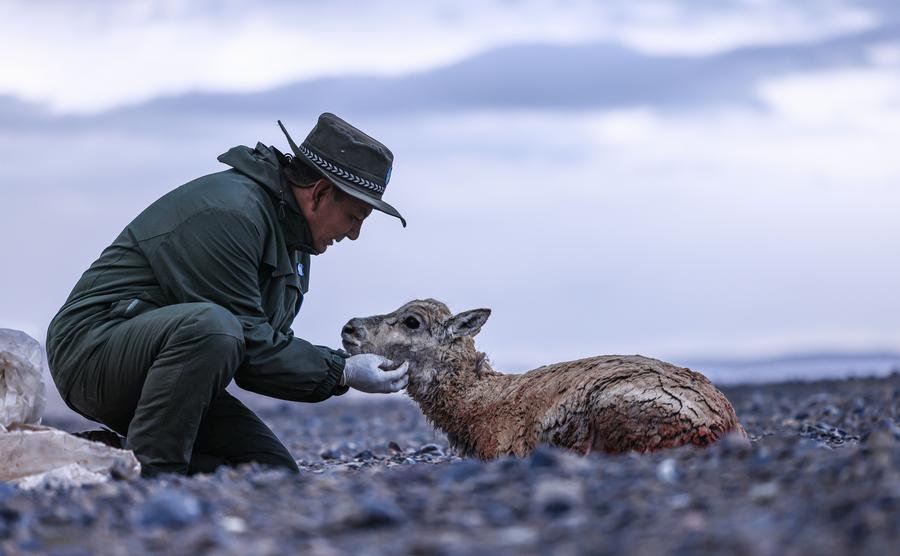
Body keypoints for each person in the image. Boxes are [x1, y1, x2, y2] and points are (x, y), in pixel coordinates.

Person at [45, 113, 409, 476]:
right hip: (91, 352)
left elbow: (261, 351)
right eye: (355, 216)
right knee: (215, 327)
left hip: (172, 369)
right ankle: (152, 477)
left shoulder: (294, 240)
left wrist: (339, 371)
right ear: (321, 193)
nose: (354, 234)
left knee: (269, 471)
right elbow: (248, 344)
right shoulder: (232, 214)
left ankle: (93, 460)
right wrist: (342, 370)